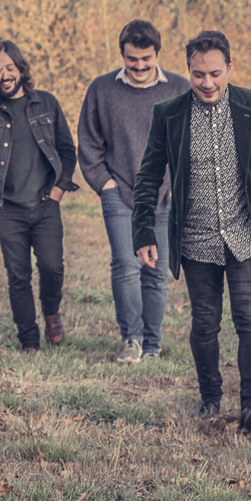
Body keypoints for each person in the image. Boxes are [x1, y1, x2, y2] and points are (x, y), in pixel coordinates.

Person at [132, 30, 251, 427]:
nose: (207, 83)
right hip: (196, 237)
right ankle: (209, 397)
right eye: (198, 74)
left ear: (229, 68)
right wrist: (143, 231)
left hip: (246, 234)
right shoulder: (169, 114)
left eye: (215, 73)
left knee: (250, 317)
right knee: (205, 323)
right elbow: (148, 175)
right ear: (188, 71)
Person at [79, 19, 192, 364]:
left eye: (146, 58)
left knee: (156, 270)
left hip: (164, 195)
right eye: (132, 59)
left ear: (157, 53)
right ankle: (131, 339)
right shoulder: (102, 89)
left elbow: (192, 141)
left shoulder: (179, 88)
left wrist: (177, 185)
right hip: (119, 191)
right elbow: (88, 143)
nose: (139, 66)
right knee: (126, 264)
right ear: (122, 55)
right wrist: (105, 184)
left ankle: (153, 345)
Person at [0, 40, 78, 353]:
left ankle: (51, 312)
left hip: (45, 205)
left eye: (9, 68)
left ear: (21, 69)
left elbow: (67, 150)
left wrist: (58, 189)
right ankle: (29, 339)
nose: (5, 75)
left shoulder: (46, 103)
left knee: (52, 267)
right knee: (18, 276)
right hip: (8, 208)